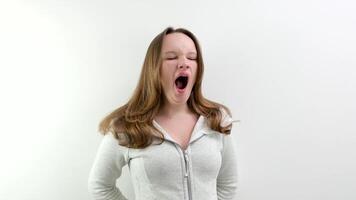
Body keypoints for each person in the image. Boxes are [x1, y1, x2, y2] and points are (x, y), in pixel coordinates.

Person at [88, 27, 238, 200]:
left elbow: (228, 184)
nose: (184, 63)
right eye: (171, 57)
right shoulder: (126, 126)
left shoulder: (217, 119)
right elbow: (100, 186)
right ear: (154, 68)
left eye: (192, 57)